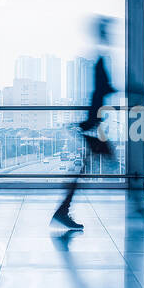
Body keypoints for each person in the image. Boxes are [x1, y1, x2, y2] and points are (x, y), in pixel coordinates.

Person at [52, 16, 115, 231]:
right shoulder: (100, 60)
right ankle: (63, 210)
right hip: (93, 125)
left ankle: (63, 209)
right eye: (107, 31)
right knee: (95, 166)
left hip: (93, 123)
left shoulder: (100, 58)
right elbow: (102, 90)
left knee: (86, 168)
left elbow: (102, 90)